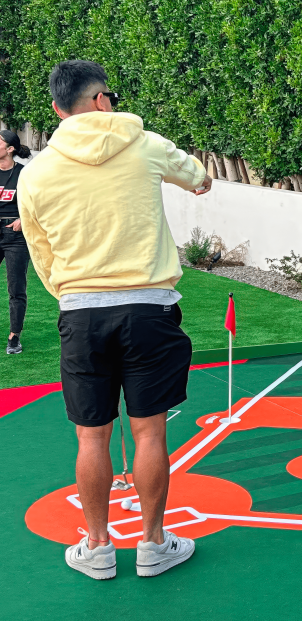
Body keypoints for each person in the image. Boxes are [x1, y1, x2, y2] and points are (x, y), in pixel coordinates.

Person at [18, 60, 213, 580]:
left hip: (80, 313)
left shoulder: (35, 171)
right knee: (149, 434)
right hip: (150, 308)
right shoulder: (146, 143)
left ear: (59, 109)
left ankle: (98, 547)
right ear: (103, 99)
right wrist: (196, 180)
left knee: (91, 438)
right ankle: (152, 545)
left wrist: (67, 291)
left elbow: (39, 250)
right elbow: (200, 178)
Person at [0, 129, 31, 354]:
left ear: (10, 149)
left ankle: (14, 336)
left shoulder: (25, 174)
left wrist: (23, 218)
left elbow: (38, 202)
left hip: (15, 236)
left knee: (16, 288)